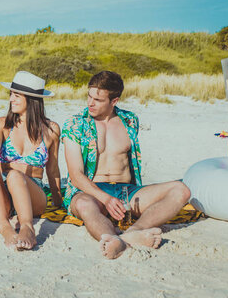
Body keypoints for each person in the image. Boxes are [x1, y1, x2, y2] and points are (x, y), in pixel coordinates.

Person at [62, 71, 191, 259]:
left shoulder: (130, 121)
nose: (90, 103)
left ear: (114, 101)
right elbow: (75, 175)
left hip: (127, 192)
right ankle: (112, 238)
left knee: (181, 190)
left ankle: (132, 233)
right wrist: (105, 199)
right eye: (89, 96)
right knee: (83, 204)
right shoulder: (75, 124)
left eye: (98, 99)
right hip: (91, 193)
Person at [0, 71, 62, 250]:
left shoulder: (51, 129)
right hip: (2, 199)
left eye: (16, 95)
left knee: (15, 176)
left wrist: (58, 202)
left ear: (31, 99)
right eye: (10, 95)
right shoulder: (1, 125)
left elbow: (53, 170)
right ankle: (5, 227)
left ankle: (27, 227)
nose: (11, 100)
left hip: (33, 197)